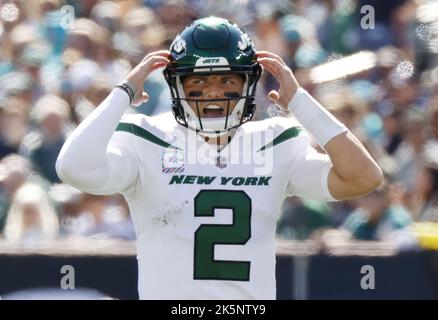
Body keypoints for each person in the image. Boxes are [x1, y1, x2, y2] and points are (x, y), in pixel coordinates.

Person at [56, 17, 382, 300]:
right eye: (199, 81)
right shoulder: (146, 138)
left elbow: (362, 177)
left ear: (247, 83)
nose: (213, 92)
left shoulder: (276, 141)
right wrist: (123, 92)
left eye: (226, 80)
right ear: (178, 86)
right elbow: (73, 167)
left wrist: (300, 102)